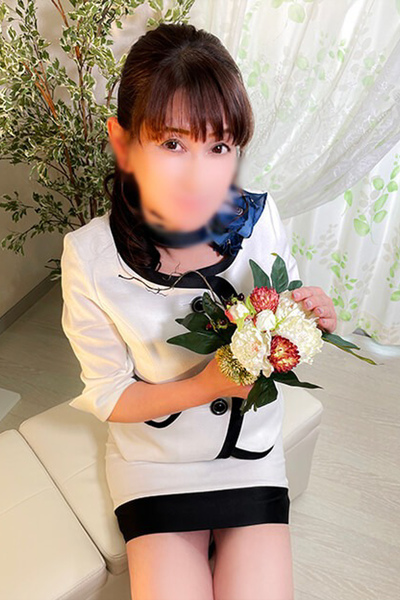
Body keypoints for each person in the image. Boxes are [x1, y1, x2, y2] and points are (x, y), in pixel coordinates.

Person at [60, 22, 313, 600]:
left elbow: (282, 321)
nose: (200, 174)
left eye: (219, 146)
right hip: (157, 465)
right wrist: (205, 386)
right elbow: (109, 395)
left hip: (251, 456)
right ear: (123, 142)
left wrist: (308, 319)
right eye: (172, 144)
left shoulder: (260, 220)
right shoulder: (91, 257)